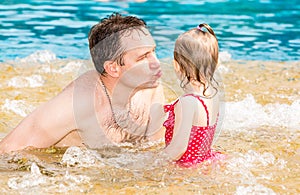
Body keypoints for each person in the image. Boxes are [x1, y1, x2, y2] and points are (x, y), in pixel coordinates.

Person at [0, 13, 166, 154]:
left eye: (153, 51)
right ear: (113, 68)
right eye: (143, 57)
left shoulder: (150, 87)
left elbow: (157, 148)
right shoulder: (74, 106)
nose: (156, 63)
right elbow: (7, 151)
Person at [160, 23, 223, 167]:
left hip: (185, 167)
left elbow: (179, 148)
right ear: (216, 64)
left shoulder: (187, 102)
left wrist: (154, 163)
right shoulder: (213, 96)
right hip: (205, 161)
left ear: (176, 65)